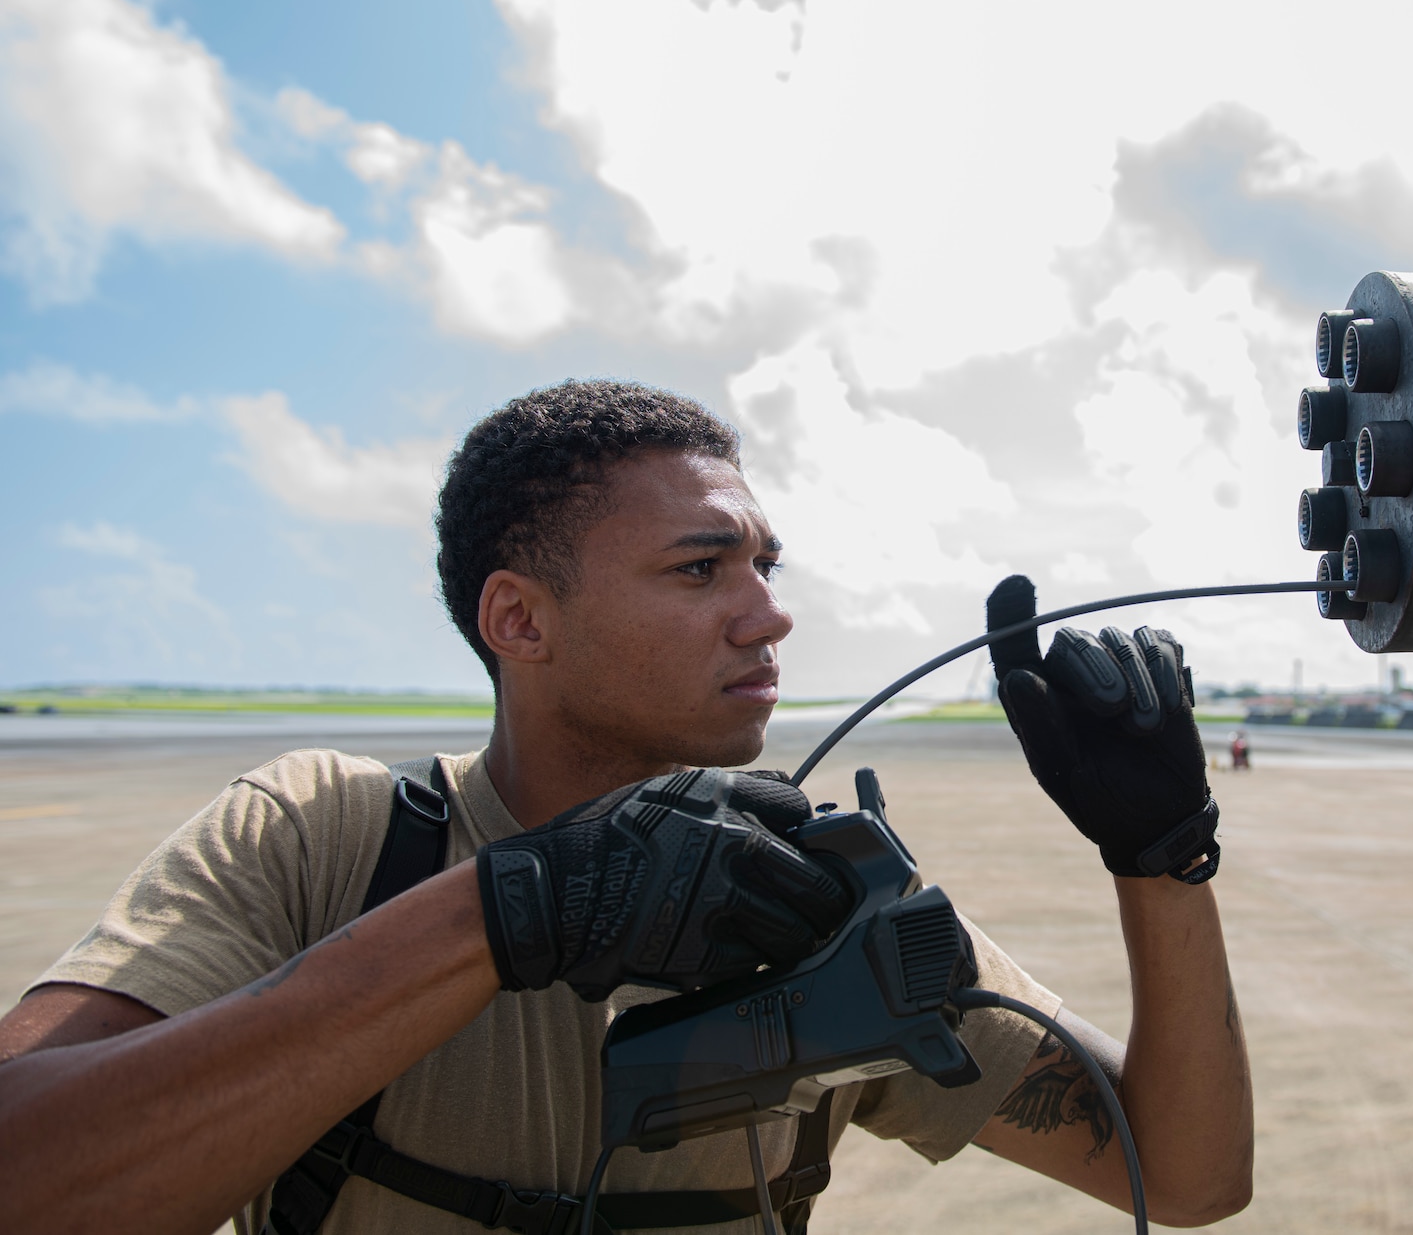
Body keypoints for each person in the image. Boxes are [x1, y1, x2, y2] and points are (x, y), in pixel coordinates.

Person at [0, 381, 1253, 1233]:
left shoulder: (820, 897)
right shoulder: (326, 838)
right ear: (521, 620)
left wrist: (1159, 858)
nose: (768, 611)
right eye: (701, 567)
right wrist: (509, 913)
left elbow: (1186, 1172)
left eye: (765, 566)